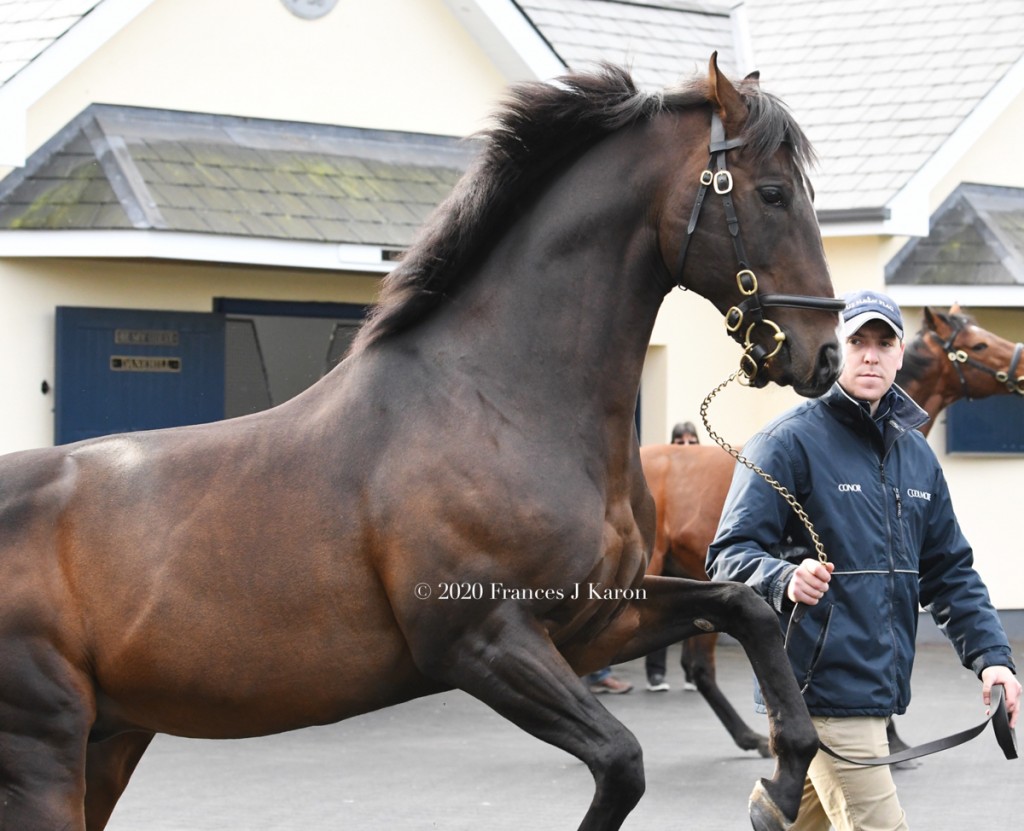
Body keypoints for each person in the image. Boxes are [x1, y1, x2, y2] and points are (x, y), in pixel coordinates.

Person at [706, 289, 1020, 831]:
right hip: (816, 689)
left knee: (801, 821)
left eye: (883, 343)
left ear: (901, 356)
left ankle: (779, 817)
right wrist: (783, 577)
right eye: (858, 342)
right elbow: (727, 557)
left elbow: (950, 572)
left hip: (879, 685)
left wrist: (992, 656)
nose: (871, 355)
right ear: (837, 350)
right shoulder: (786, 443)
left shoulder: (916, 454)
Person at [646, 420, 701, 692]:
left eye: (692, 441)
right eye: (680, 442)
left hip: (689, 553)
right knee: (659, 615)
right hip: (665, 549)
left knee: (695, 615)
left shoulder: (702, 478)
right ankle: (656, 673)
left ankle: (692, 671)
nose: (687, 447)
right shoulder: (662, 475)